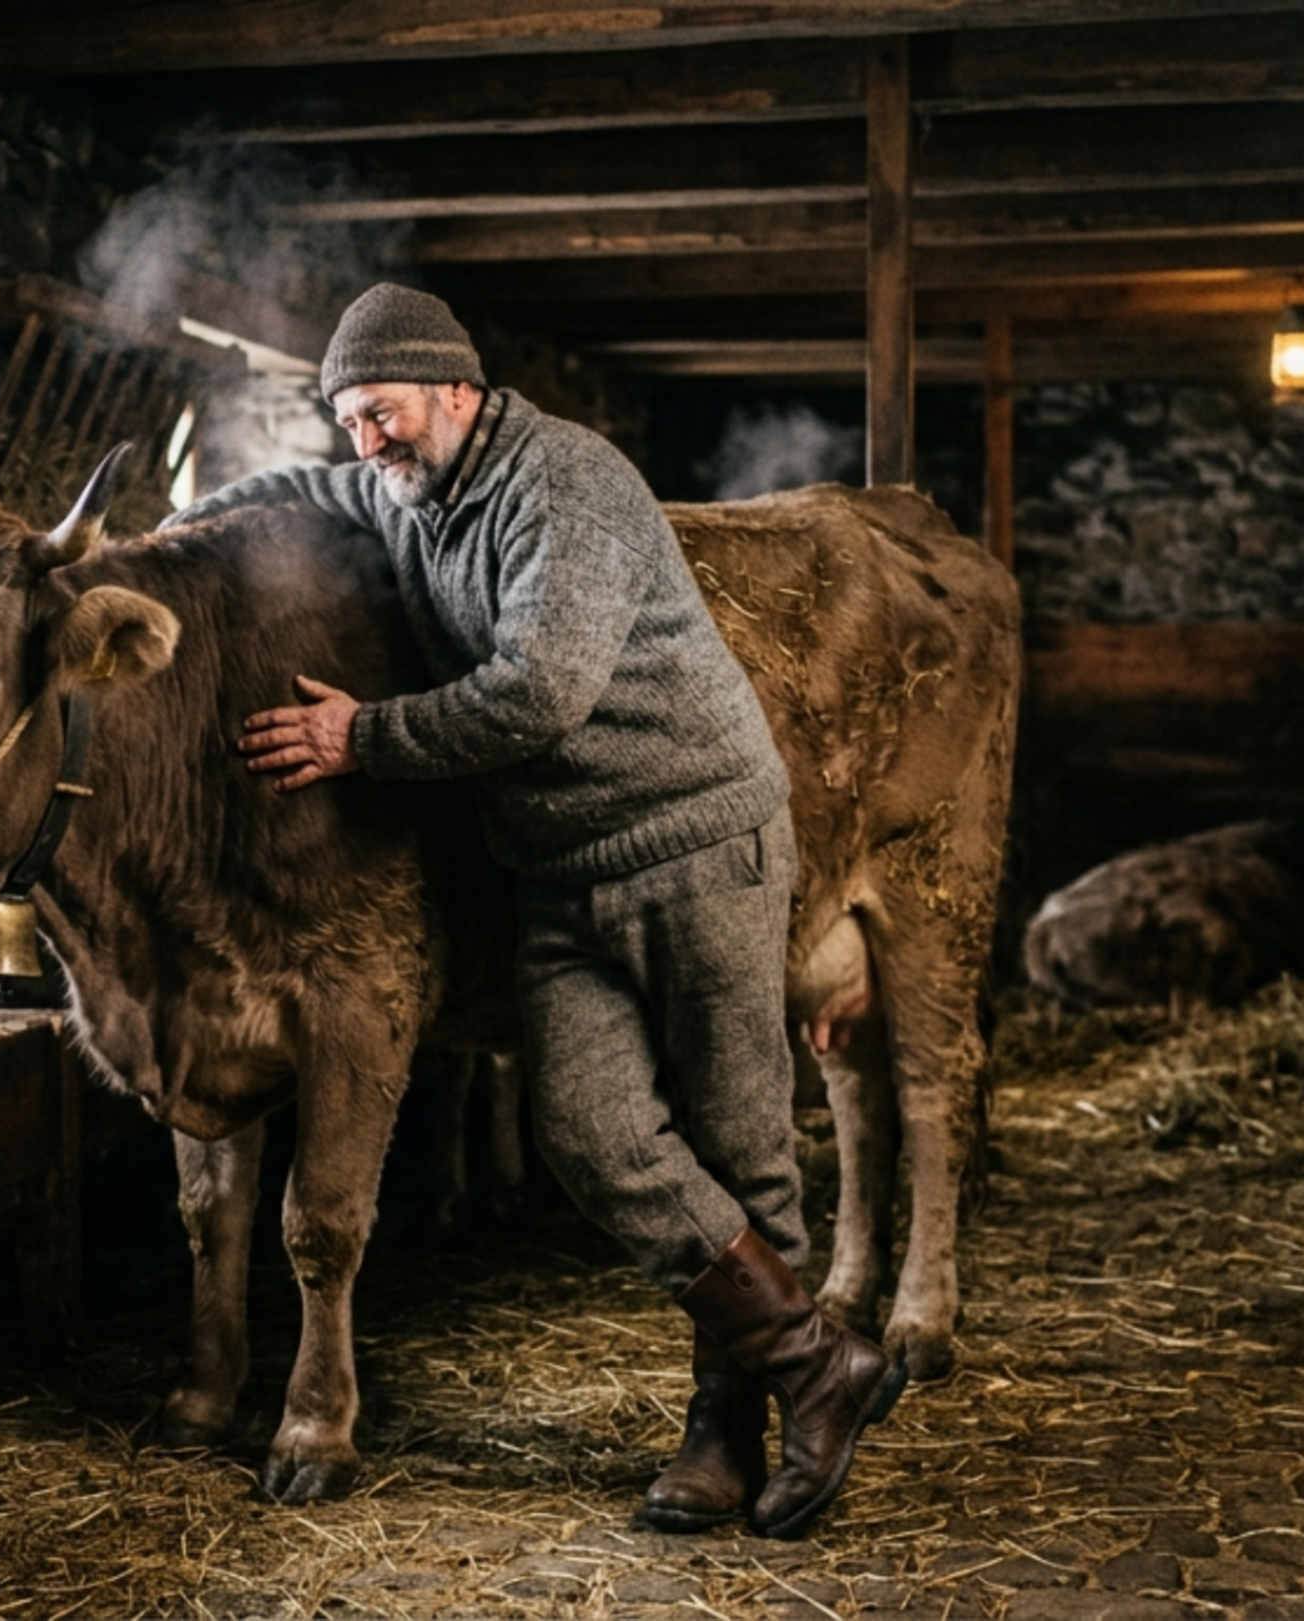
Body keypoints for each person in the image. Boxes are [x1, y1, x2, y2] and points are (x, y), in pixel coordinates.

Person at [162, 283, 904, 1537]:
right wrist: (159, 547)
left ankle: (729, 1432)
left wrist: (362, 736)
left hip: (697, 840)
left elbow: (541, 691)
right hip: (564, 865)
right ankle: (818, 1363)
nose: (368, 442)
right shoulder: (412, 486)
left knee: (737, 1141)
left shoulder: (565, 482)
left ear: (458, 388)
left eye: (383, 412)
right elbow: (298, 492)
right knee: (587, 1127)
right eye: (349, 419)